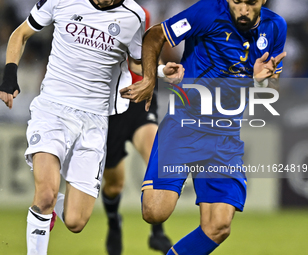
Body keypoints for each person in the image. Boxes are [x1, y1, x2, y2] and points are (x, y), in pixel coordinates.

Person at [0, 0, 183, 254]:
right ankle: (44, 210)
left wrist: (160, 71)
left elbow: (137, 61)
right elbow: (21, 33)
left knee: (75, 221)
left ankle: (49, 209)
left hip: (95, 120)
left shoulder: (134, 16)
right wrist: (9, 77)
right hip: (53, 110)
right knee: (45, 195)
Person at [120, 0, 287, 254]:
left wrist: (260, 82)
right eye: (236, 1)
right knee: (154, 212)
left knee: (218, 226)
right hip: (184, 125)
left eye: (250, 3)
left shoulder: (276, 27)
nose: (242, 10)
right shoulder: (208, 11)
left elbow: (270, 88)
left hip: (226, 134)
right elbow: (155, 35)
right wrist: (151, 79)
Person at [101, 7, 172, 255]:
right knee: (113, 184)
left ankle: (157, 232)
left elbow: (147, 54)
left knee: (157, 156)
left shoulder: (141, 14)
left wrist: (161, 70)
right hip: (108, 106)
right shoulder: (89, 12)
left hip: (139, 99)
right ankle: (114, 223)